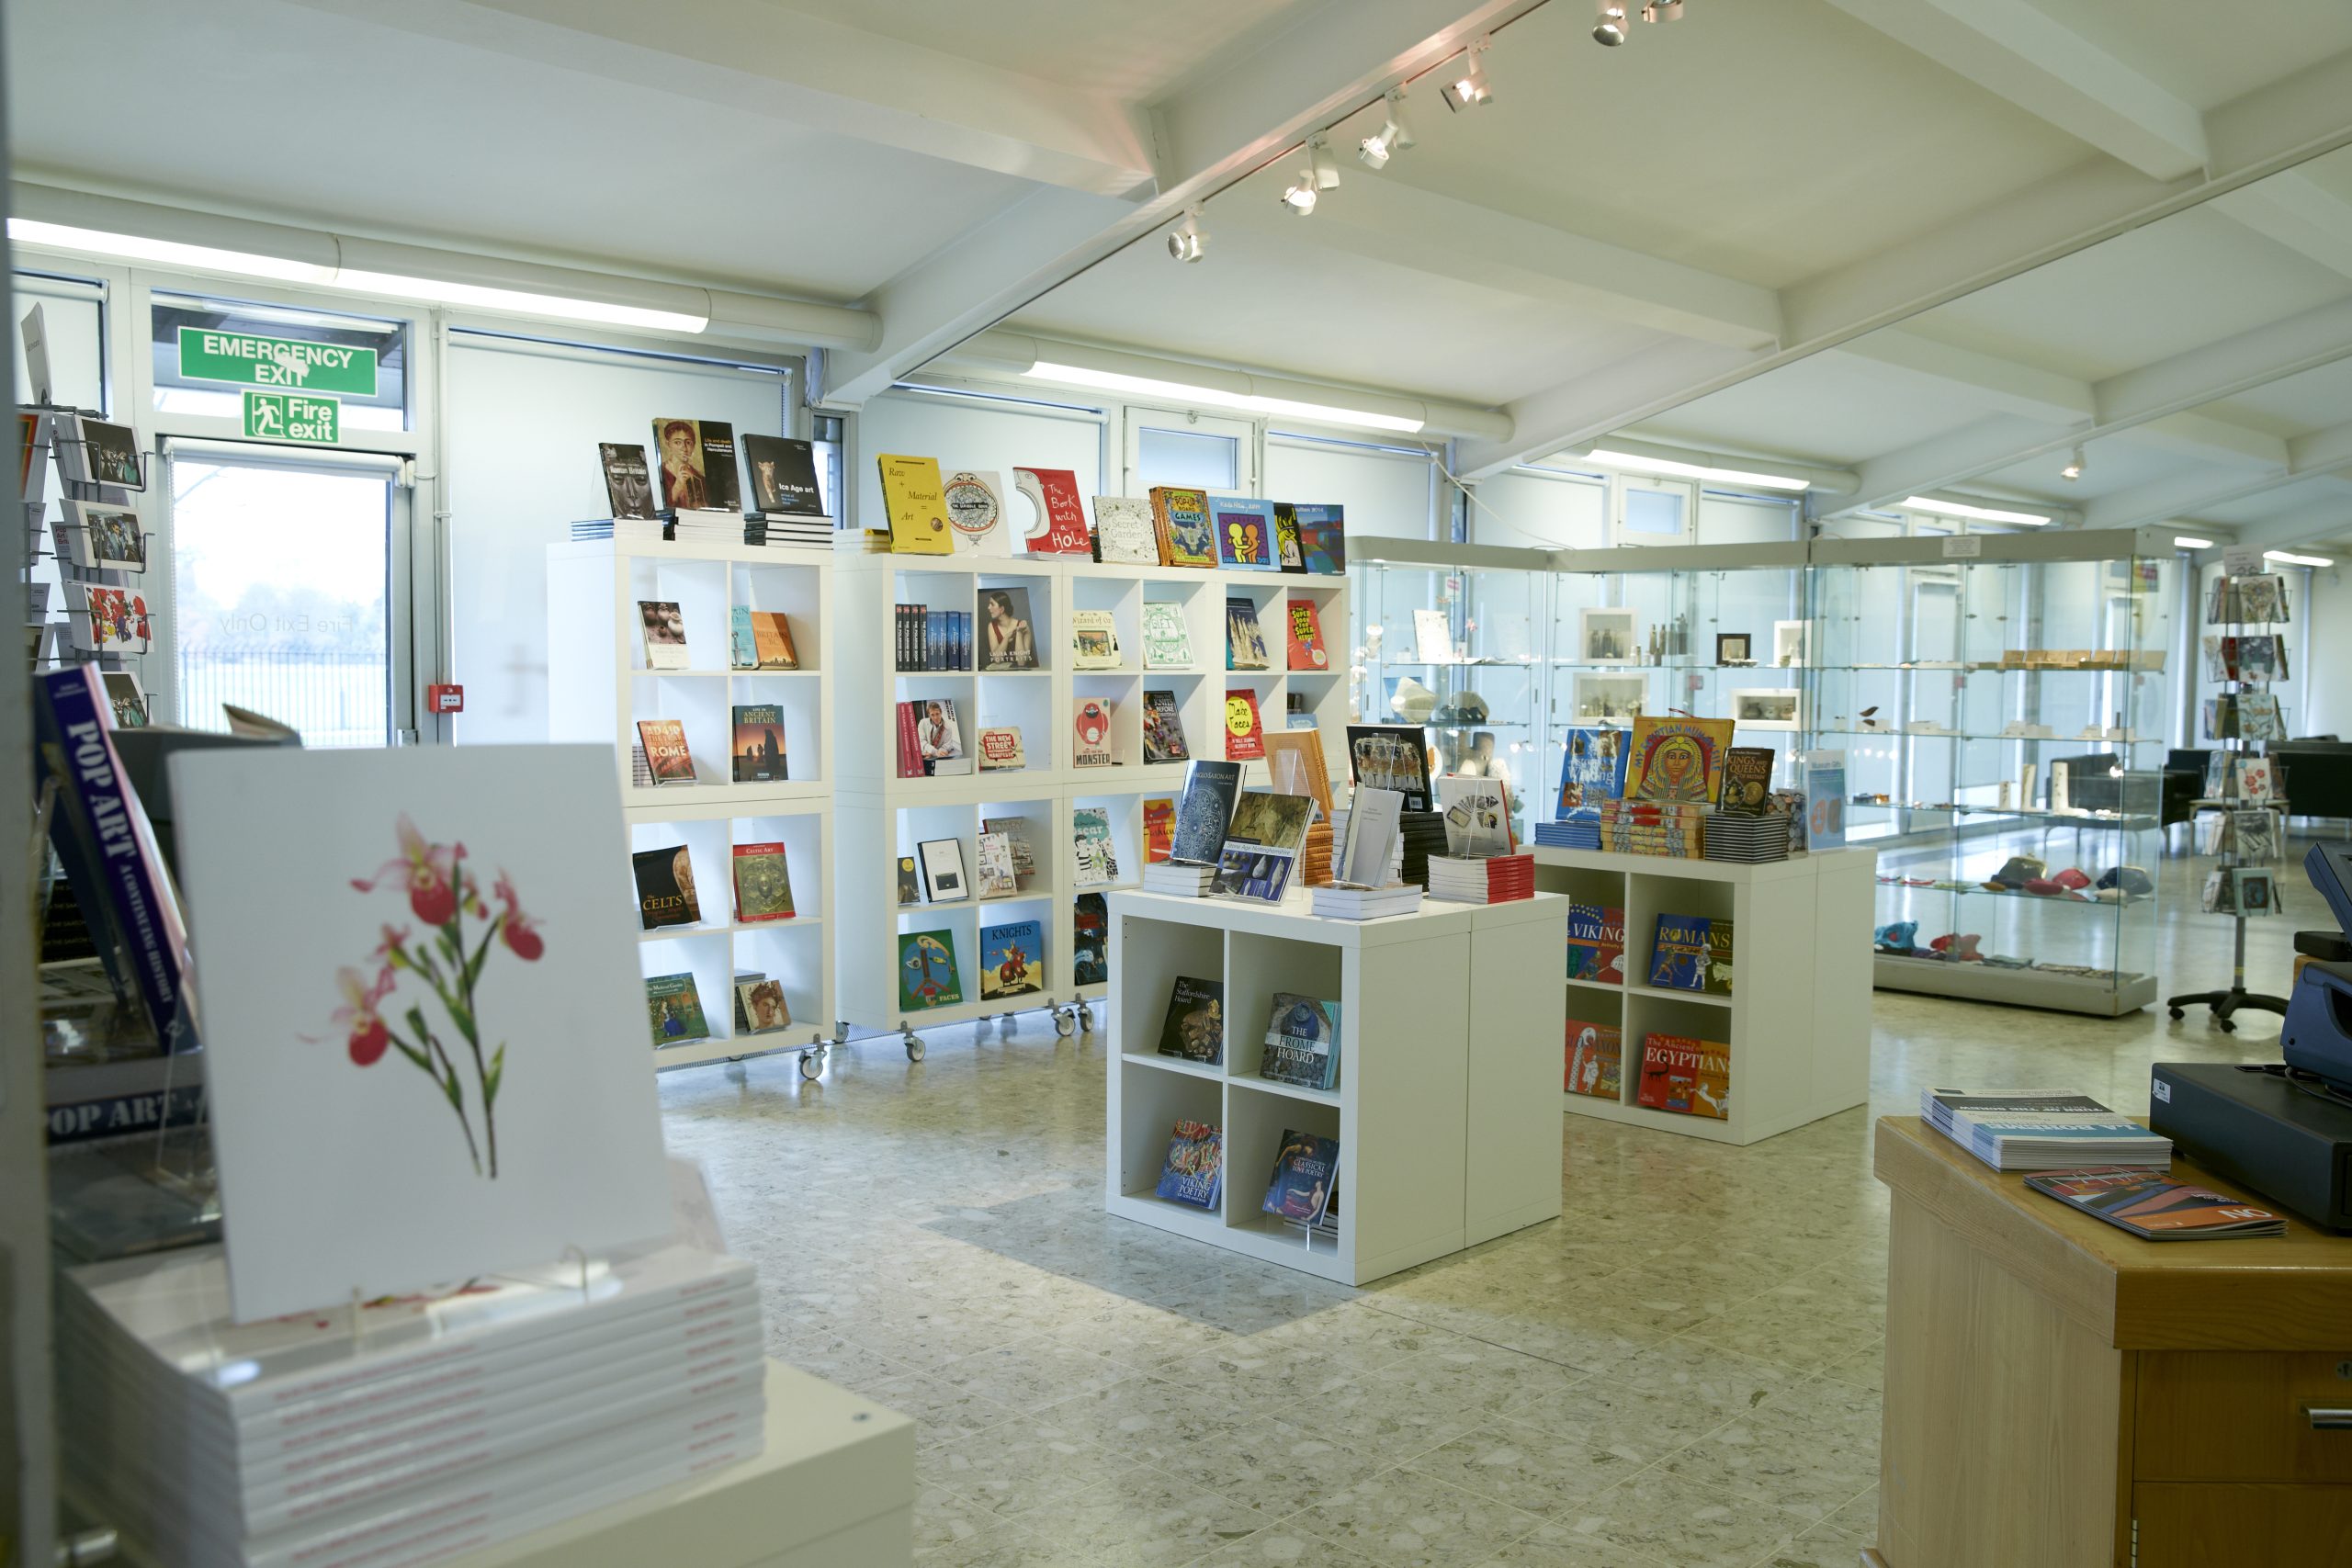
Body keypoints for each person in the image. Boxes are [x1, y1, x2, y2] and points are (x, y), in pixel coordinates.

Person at [657, 419, 706, 512]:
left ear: (693, 446)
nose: (683, 447)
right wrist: (678, 486)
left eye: (688, 443)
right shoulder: (661, 473)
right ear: (668, 444)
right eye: (677, 442)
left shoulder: (700, 478)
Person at [982, 591, 1034, 669]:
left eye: (992, 604)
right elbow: (997, 659)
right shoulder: (991, 626)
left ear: (1002, 609)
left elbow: (1021, 662)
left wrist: (1019, 633)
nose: (988, 607)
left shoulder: (1024, 627)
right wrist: (1006, 638)